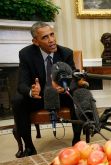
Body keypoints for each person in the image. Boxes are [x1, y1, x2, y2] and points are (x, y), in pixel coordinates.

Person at [12, 21, 82, 157]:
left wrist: (66, 86)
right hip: (39, 98)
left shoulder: (65, 53)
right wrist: (32, 91)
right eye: (45, 37)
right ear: (36, 41)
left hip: (61, 96)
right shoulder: (26, 54)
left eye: (52, 35)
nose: (51, 40)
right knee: (18, 99)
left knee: (78, 93)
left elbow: (75, 78)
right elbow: (21, 84)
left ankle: (77, 140)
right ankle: (29, 147)